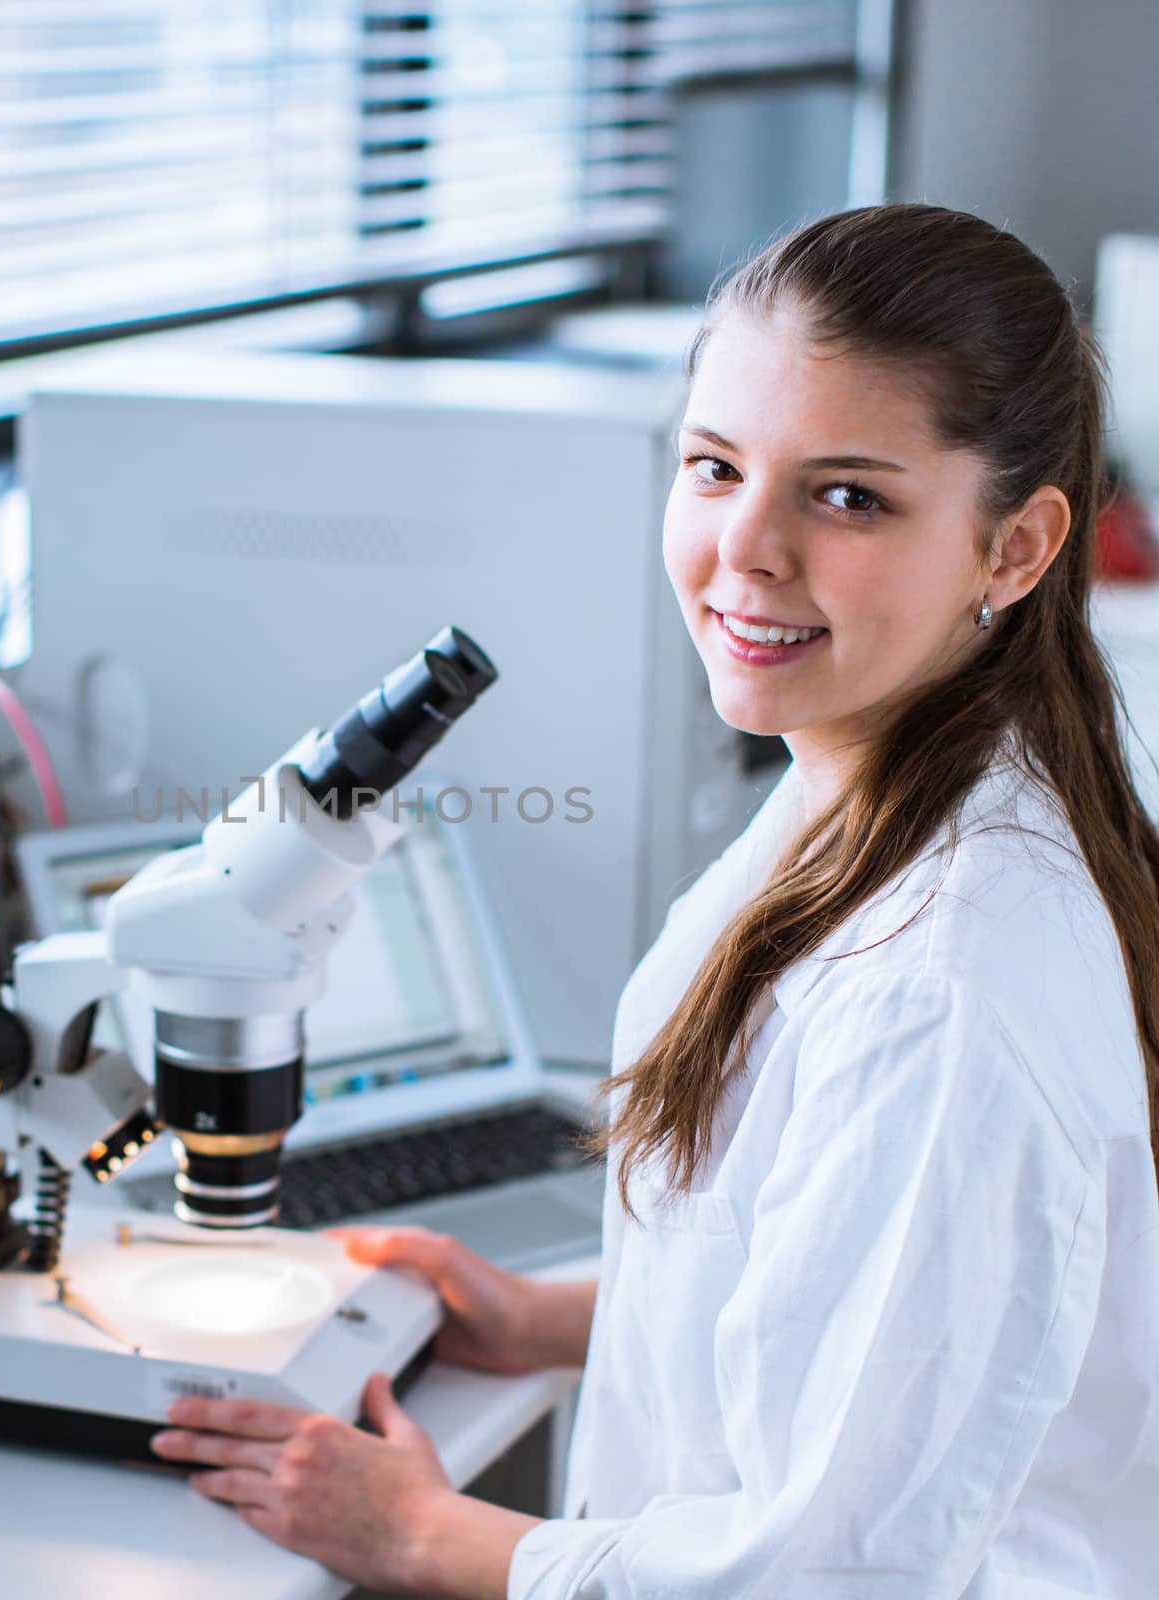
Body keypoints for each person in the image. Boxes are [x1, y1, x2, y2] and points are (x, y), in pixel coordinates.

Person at [146, 203, 1159, 1598]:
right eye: (714, 466)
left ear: (1016, 547)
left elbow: (823, 1576)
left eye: (848, 494)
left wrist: (420, 1537)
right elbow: (847, 1302)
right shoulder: (860, 783)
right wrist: (556, 1318)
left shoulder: (945, 982)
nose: (747, 548)